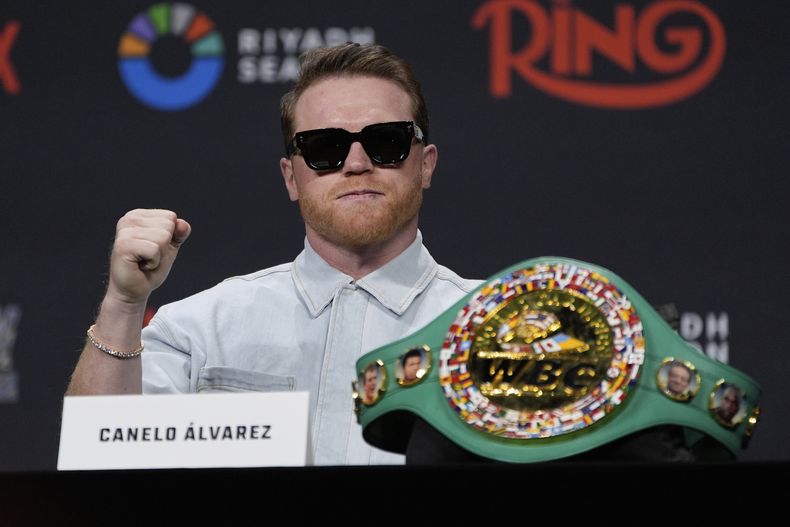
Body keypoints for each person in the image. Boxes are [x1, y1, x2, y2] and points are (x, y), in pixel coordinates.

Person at [66, 43, 480, 465]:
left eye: (386, 142)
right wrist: (124, 305)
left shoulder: (496, 328)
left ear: (426, 164)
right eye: (324, 147)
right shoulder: (198, 330)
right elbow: (97, 465)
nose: (356, 163)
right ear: (291, 178)